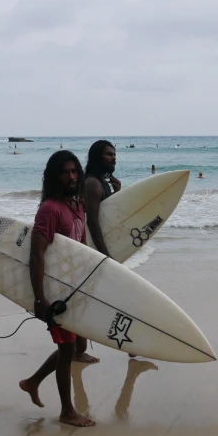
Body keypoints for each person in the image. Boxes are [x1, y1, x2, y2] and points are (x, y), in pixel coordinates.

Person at [19, 150, 96, 427]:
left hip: (73, 288)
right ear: (54, 176)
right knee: (67, 350)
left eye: (75, 171)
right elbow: (36, 255)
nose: (72, 176)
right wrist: (40, 299)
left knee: (71, 347)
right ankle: (66, 411)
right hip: (55, 292)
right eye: (65, 172)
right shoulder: (49, 209)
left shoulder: (78, 205)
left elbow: (82, 248)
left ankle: (32, 381)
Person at [84, 141, 136, 359]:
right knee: (118, 294)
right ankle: (129, 345)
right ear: (97, 157)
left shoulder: (102, 183)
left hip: (97, 250)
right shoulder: (93, 184)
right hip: (92, 251)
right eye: (108, 154)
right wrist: (106, 256)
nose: (114, 158)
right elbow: (92, 223)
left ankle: (79, 350)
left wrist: (117, 193)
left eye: (115, 154)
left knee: (90, 300)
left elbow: (108, 218)